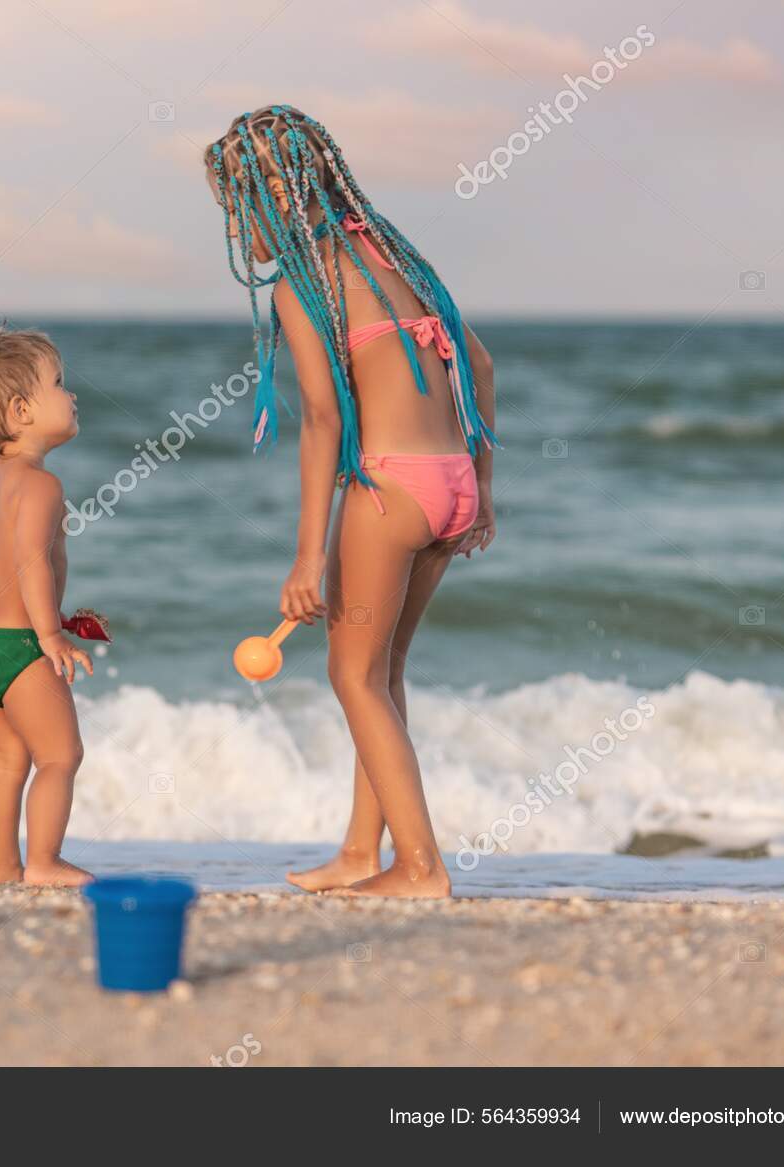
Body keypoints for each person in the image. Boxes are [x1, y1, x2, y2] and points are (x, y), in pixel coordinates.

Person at [204, 106, 500, 898]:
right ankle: (362, 851)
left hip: (390, 487)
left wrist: (309, 555)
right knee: (384, 671)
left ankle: (421, 867)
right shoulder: (393, 257)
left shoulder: (305, 286)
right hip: (453, 484)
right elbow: (482, 366)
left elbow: (323, 423)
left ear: (271, 196)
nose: (236, 226)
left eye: (236, 207)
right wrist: (486, 492)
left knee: (352, 676)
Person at [0, 321, 94, 886]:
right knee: (60, 757)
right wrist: (51, 633)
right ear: (22, 411)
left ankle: (0, 866)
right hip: (20, 644)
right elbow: (32, 560)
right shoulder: (41, 486)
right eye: (59, 382)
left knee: (6, 761)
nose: (72, 394)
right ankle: (46, 863)